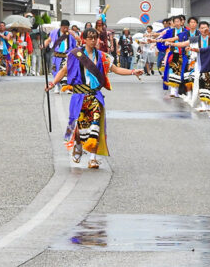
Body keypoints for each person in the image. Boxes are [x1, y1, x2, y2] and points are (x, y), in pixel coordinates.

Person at [45, 27, 144, 169]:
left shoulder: (103, 57)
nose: (93, 40)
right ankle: (78, 145)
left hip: (95, 96)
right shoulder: (74, 54)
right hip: (79, 96)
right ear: (84, 39)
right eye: (90, 38)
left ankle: (92, 158)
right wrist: (52, 83)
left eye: (95, 38)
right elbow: (63, 70)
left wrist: (133, 71)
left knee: (95, 125)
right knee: (80, 126)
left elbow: (116, 69)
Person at [189, 21, 210, 112]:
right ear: (199, 29)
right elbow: (188, 48)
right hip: (199, 64)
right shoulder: (194, 39)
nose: (203, 30)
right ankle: (203, 104)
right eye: (202, 28)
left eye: (205, 28)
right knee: (199, 83)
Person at [44, 20, 76, 91]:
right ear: (60, 26)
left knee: (67, 71)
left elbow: (75, 45)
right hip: (57, 56)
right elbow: (48, 40)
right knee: (56, 71)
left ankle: (67, 86)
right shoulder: (54, 33)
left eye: (67, 28)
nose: (65, 29)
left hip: (67, 56)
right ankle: (56, 85)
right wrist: (43, 45)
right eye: (64, 27)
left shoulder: (70, 34)